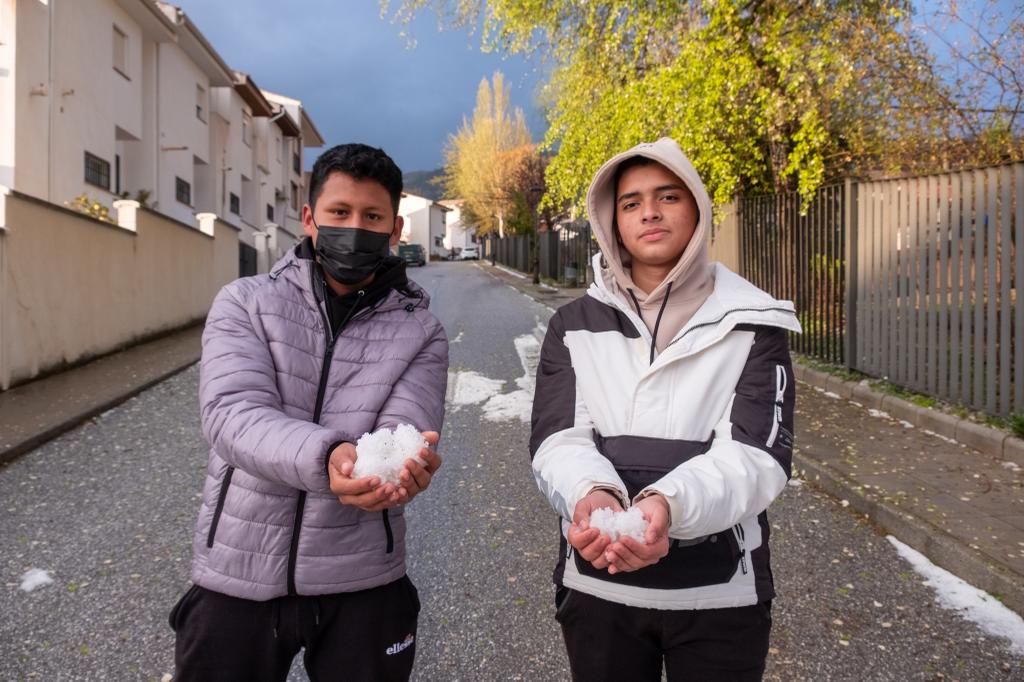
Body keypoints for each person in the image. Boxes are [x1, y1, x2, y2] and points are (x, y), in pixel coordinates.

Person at [170, 143, 449, 681]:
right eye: (339, 213)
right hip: (238, 570)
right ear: (309, 218)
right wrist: (329, 458)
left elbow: (402, 430)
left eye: (372, 217)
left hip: (364, 574)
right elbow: (232, 413)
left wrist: (404, 467)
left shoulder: (422, 330)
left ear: (395, 230)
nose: (355, 228)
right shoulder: (244, 302)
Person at [530, 137, 801, 681]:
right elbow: (557, 440)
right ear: (611, 221)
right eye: (630, 202)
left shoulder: (754, 323)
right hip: (597, 584)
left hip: (720, 595)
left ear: (697, 208)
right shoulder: (572, 325)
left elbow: (757, 458)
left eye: (668, 196)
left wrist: (667, 508)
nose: (649, 212)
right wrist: (593, 495)